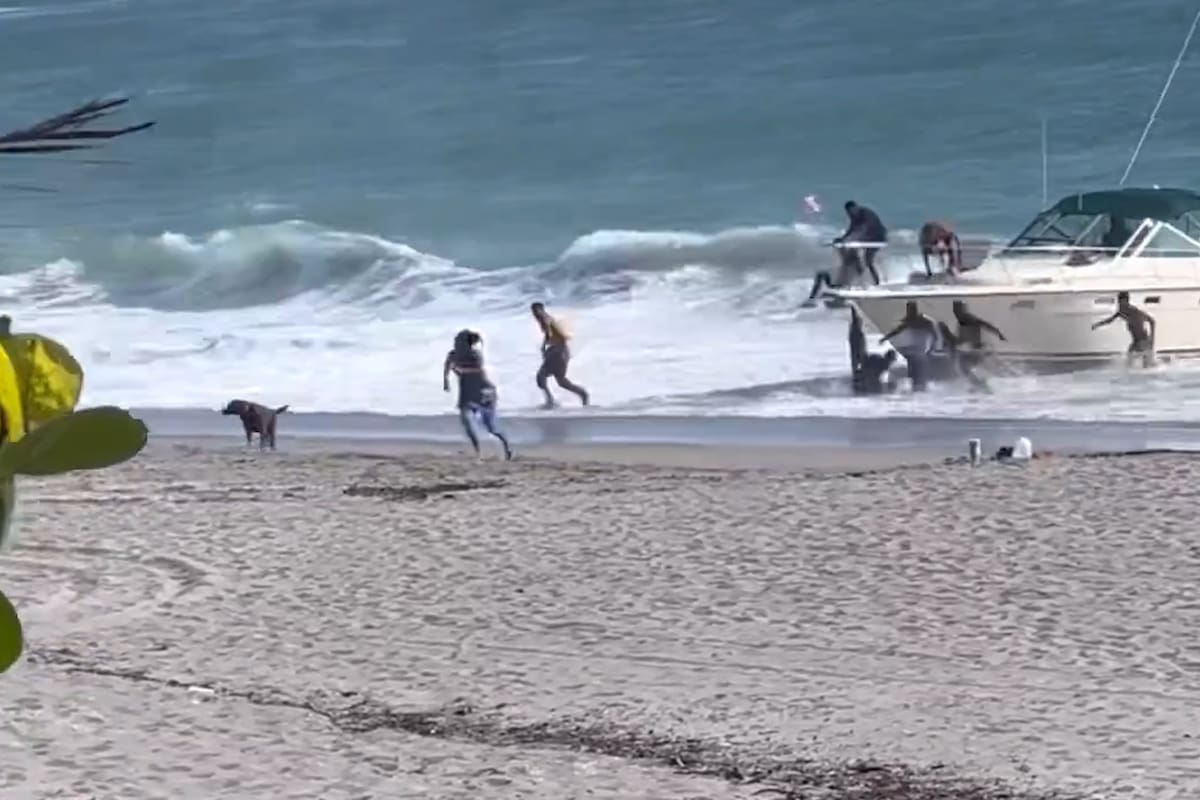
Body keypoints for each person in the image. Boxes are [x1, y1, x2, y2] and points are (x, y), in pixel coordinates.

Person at [443, 329, 513, 459]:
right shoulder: (452, 354)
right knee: (466, 421)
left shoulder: (475, 355)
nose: (456, 343)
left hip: (483, 390)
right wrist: (446, 381)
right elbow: (447, 366)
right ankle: (477, 451)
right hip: (466, 391)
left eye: (458, 341)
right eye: (455, 341)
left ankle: (506, 447)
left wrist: (457, 370)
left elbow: (475, 370)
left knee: (490, 427)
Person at [530, 302, 589, 408]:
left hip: (558, 352)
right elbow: (550, 334)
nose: (535, 313)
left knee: (541, 377)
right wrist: (545, 346)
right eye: (533, 311)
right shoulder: (545, 320)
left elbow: (559, 335)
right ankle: (582, 394)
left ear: (541, 309)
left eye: (537, 310)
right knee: (561, 381)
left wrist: (551, 349)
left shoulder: (545, 318)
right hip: (561, 351)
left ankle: (550, 401)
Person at [880, 300, 938, 391]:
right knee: (915, 377)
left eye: (911, 309)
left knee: (920, 376)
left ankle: (920, 389)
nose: (909, 311)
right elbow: (898, 330)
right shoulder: (910, 320)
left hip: (921, 353)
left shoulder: (925, 321)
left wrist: (932, 349)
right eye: (909, 309)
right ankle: (917, 391)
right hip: (913, 354)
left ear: (916, 309)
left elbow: (935, 334)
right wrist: (884, 338)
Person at [1092, 291, 1156, 367]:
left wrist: (1152, 339)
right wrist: (1098, 324)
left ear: (1126, 301)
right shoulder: (1121, 312)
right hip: (1136, 342)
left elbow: (1152, 321)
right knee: (1129, 360)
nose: (1119, 304)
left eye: (1121, 302)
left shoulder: (1134, 311)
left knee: (1146, 365)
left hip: (1143, 341)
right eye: (1119, 302)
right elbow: (1110, 320)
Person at [833, 201, 887, 285]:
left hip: (878, 238)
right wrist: (843, 239)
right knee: (853, 255)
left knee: (868, 260)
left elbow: (865, 228)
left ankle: (876, 282)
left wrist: (854, 238)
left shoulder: (867, 213)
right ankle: (859, 277)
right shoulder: (853, 216)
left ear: (856, 207)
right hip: (867, 238)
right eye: (848, 212)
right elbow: (852, 229)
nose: (851, 214)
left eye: (852, 211)